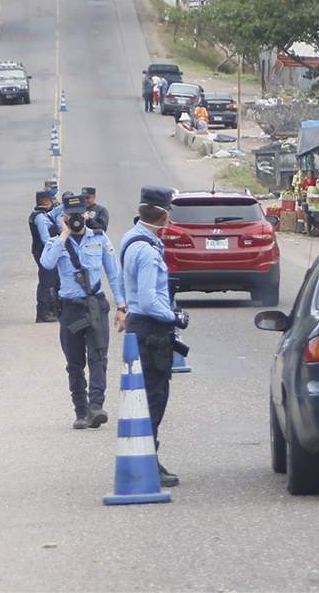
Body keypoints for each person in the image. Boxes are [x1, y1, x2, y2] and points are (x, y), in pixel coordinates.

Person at [120, 186, 189, 488]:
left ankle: (145, 458)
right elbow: (149, 300)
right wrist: (174, 316)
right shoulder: (147, 252)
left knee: (144, 396)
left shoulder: (130, 238)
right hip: (150, 328)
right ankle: (149, 462)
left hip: (139, 324)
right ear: (163, 214)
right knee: (153, 398)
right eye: (169, 211)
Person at [41, 194, 126, 429]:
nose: (76, 220)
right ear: (64, 217)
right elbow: (47, 264)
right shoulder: (56, 242)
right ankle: (80, 411)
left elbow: (114, 274)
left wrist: (121, 306)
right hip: (70, 309)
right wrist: (64, 234)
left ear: (86, 215)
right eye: (71, 216)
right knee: (75, 363)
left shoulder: (99, 238)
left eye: (79, 216)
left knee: (98, 357)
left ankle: (96, 406)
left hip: (95, 306)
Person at [30, 191, 60, 322]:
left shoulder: (42, 214)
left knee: (52, 280)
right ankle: (43, 313)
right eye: (52, 199)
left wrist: (67, 204)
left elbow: (54, 213)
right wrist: (56, 247)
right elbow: (45, 239)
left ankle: (51, 310)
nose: (54, 201)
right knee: (46, 282)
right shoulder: (40, 218)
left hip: (43, 251)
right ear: (46, 201)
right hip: (44, 252)